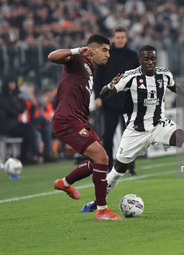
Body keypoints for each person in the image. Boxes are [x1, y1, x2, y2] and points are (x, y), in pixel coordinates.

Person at [81, 45, 184, 212]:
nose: (150, 62)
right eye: (146, 59)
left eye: (153, 58)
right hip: (135, 131)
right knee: (118, 170)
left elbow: (174, 86)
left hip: (159, 125)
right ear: (140, 60)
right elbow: (103, 94)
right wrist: (110, 86)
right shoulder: (129, 77)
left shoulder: (164, 74)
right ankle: (97, 202)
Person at [48, 34, 122, 221]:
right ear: (93, 49)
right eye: (104, 50)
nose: (108, 55)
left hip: (79, 121)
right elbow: (51, 56)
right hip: (66, 120)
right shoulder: (78, 59)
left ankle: (64, 183)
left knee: (97, 161)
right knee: (102, 157)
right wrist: (77, 50)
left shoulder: (90, 69)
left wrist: (112, 86)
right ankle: (102, 211)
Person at [93, 26, 139, 176]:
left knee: (130, 137)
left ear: (126, 39)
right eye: (117, 37)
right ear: (113, 39)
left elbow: (139, 79)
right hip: (110, 103)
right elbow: (98, 79)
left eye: (122, 37)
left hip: (128, 103)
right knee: (108, 136)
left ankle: (130, 167)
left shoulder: (132, 56)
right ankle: (107, 168)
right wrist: (98, 97)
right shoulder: (106, 55)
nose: (119, 40)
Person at [0, 74, 38, 165]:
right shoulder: (0, 96)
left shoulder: (14, 95)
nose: (13, 85)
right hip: (5, 126)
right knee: (26, 131)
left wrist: (13, 108)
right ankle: (28, 154)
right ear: (6, 84)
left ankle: (29, 154)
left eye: (14, 83)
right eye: (11, 83)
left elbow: (22, 107)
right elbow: (8, 110)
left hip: (14, 123)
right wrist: (15, 108)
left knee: (28, 127)